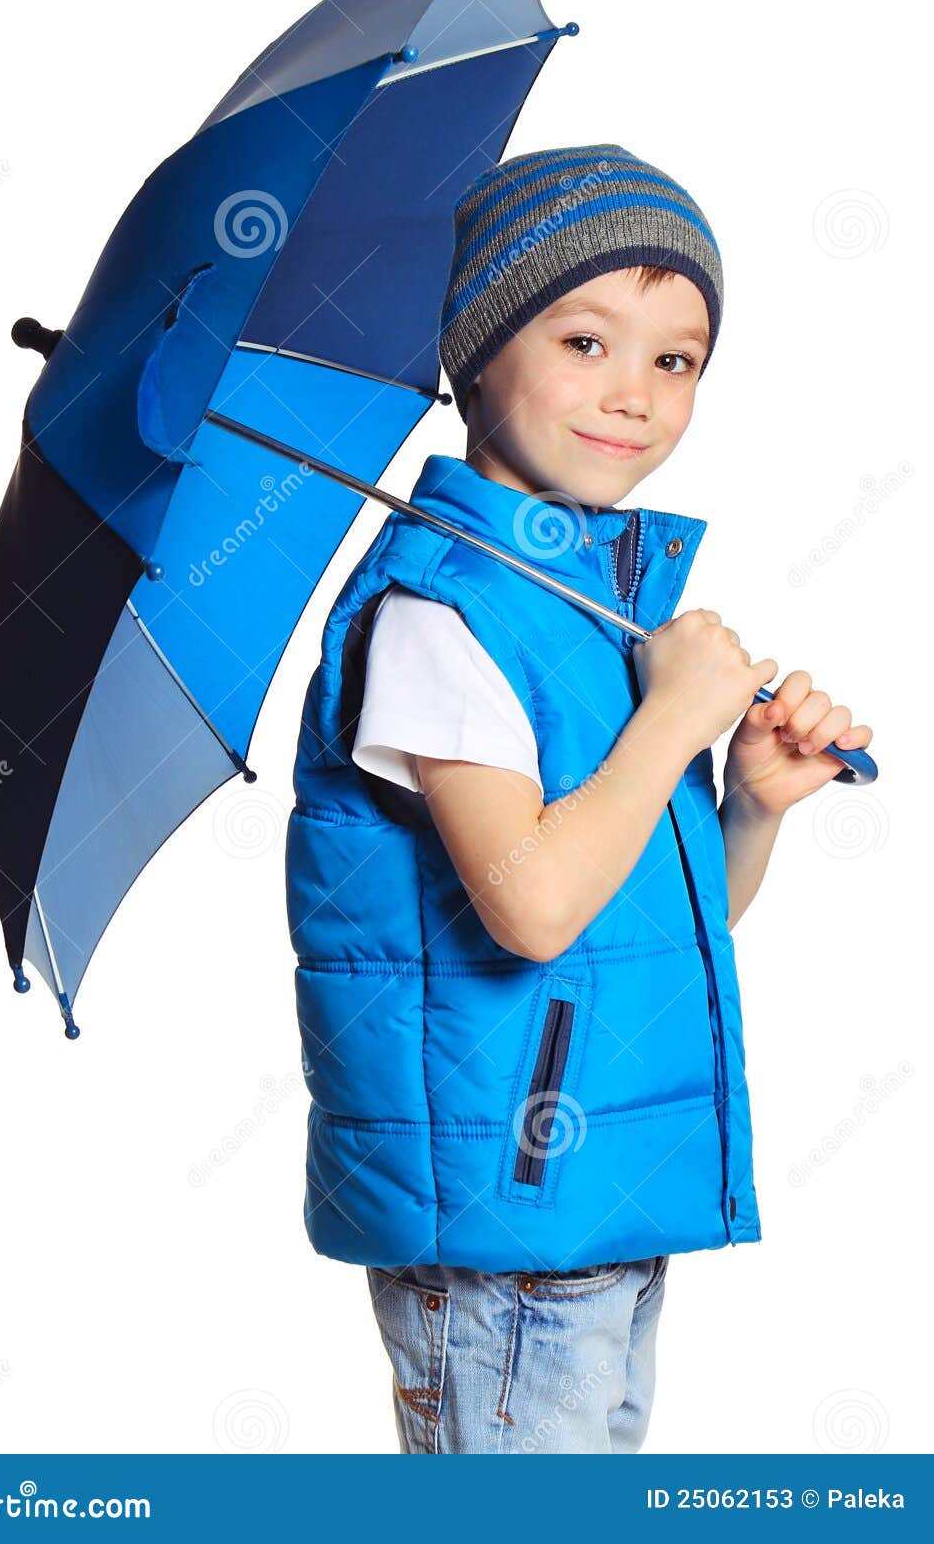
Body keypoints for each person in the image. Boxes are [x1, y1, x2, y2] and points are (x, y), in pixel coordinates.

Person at [283, 144, 872, 1453]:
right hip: (511, 1217)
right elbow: (535, 910)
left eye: (676, 358)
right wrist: (670, 722)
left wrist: (752, 803)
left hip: (589, 1199)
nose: (636, 395)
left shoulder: (589, 611)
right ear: (477, 350)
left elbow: (646, 921)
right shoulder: (441, 615)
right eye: (586, 340)